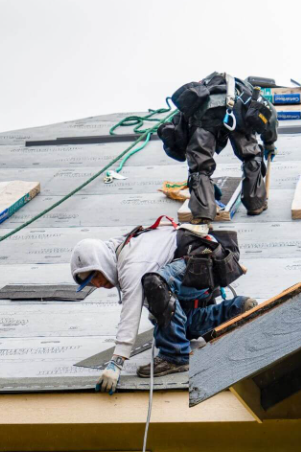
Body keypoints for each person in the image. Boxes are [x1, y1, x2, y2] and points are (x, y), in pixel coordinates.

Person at [70, 220, 257, 395]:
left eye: (95, 276)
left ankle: (174, 355)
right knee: (183, 326)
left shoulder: (131, 262)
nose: (97, 284)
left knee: (152, 283)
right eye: (90, 283)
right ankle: (236, 309)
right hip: (202, 265)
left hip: (202, 263)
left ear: (102, 262)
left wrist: (116, 362)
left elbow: (131, 310)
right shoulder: (117, 250)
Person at [158, 72, 279, 223]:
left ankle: (203, 214)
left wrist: (201, 182)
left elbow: (182, 139)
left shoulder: (195, 97)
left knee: (199, 167)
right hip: (237, 113)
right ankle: (255, 204)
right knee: (251, 156)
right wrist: (269, 143)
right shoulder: (245, 92)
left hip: (205, 119)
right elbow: (270, 116)